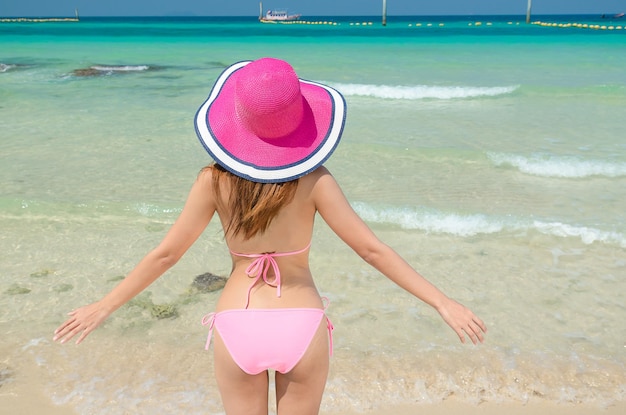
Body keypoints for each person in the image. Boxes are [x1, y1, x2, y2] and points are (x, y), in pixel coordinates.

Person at [53, 57, 487, 415]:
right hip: (301, 322)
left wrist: (104, 305)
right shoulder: (316, 181)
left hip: (237, 322)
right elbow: (372, 250)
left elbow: (166, 255)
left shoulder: (212, 181)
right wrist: (441, 302)